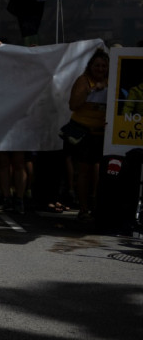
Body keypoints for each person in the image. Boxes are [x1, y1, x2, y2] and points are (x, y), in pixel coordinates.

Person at [65, 49, 110, 222]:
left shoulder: (111, 82)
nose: (100, 69)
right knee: (83, 171)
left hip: (102, 134)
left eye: (104, 66)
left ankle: (96, 206)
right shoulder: (83, 81)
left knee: (98, 173)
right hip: (84, 133)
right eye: (97, 65)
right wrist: (91, 91)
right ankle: (83, 209)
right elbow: (73, 105)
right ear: (90, 66)